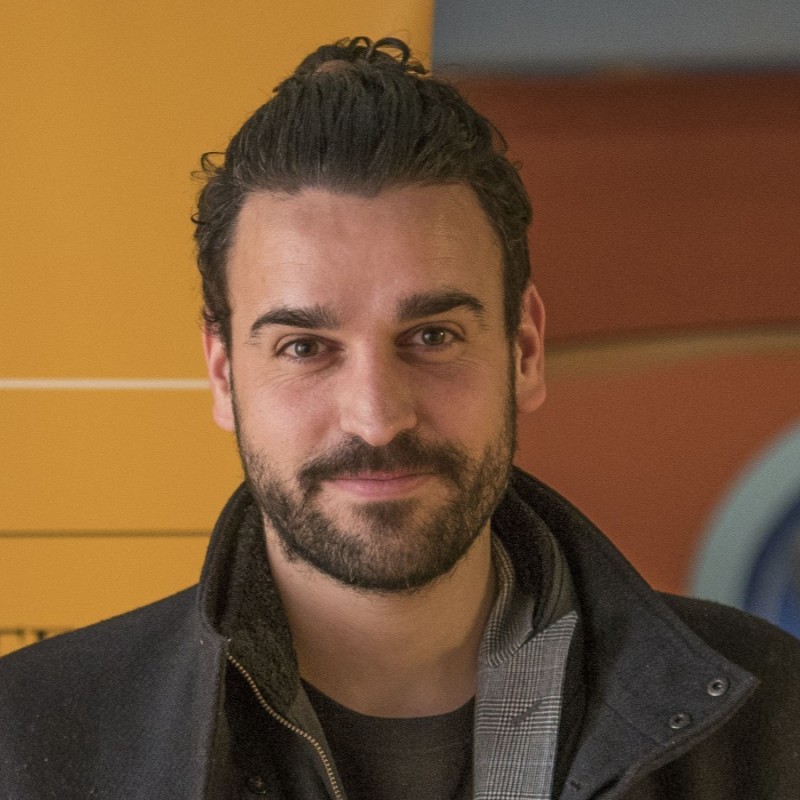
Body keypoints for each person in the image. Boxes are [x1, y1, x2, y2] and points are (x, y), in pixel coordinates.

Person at [1, 36, 798, 800]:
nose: (377, 417)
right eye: (305, 347)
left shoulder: (771, 722)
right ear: (223, 372)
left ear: (523, 350)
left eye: (432, 336)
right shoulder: (29, 742)